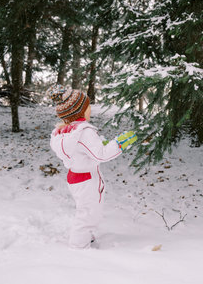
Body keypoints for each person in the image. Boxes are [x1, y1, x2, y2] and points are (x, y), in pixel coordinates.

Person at [48, 85, 137, 249]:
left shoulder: (66, 131)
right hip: (87, 179)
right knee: (88, 214)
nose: (90, 109)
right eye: (87, 106)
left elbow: (82, 151)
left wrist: (99, 144)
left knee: (87, 211)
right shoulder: (84, 132)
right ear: (79, 111)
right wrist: (118, 144)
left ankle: (85, 237)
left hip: (76, 176)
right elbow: (100, 155)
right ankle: (79, 246)